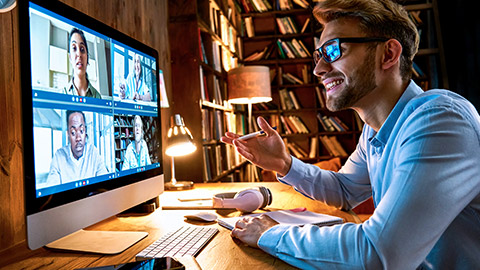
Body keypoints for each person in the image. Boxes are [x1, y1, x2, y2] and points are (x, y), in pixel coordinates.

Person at [221, 0, 480, 268]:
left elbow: (378, 253)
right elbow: (345, 190)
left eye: (333, 51)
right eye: (318, 55)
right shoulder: (374, 130)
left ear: (388, 54)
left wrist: (269, 234)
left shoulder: (440, 121)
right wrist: (284, 164)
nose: (318, 69)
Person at [46, 111, 108, 186]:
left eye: (81, 131)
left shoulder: (93, 152)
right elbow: (52, 189)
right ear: (68, 134)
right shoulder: (59, 156)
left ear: (86, 133)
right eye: (73, 132)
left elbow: (105, 184)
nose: (78, 138)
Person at [64, 28, 102, 99]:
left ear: (87, 57)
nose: (79, 54)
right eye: (74, 48)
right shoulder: (62, 94)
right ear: (70, 58)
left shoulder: (97, 97)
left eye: (82, 49)